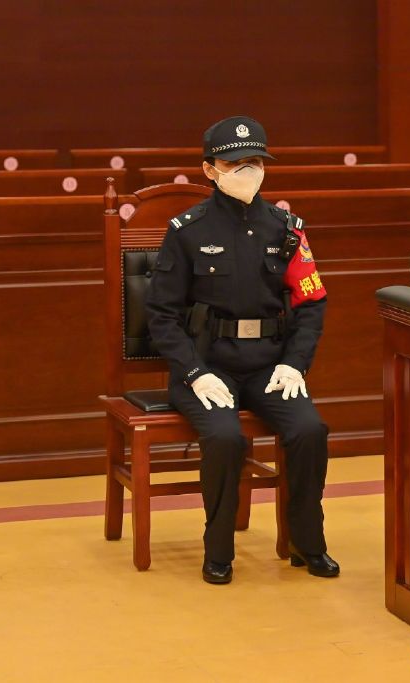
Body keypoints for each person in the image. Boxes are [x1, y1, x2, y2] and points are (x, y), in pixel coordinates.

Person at [146, 116, 339, 584]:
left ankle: (307, 542)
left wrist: (295, 364)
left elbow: (311, 302)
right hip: (208, 368)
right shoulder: (187, 230)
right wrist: (193, 372)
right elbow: (161, 315)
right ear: (210, 170)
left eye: (255, 161)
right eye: (235, 163)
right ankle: (218, 550)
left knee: (310, 430)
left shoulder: (286, 228)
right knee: (225, 438)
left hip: (270, 366)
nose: (247, 171)